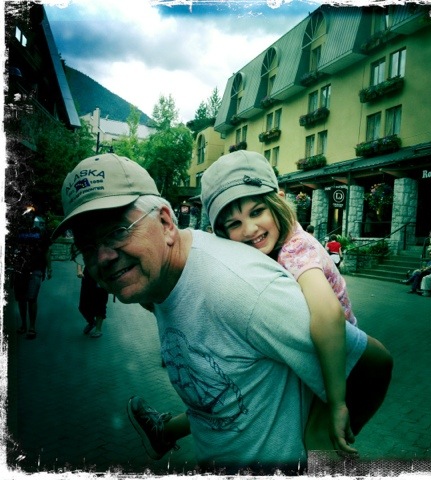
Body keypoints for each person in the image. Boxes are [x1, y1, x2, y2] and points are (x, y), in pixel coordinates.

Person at [53, 153, 392, 474]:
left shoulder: (251, 284)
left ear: (166, 223)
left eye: (118, 231)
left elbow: (371, 364)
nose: (103, 257)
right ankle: (164, 431)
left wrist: (334, 420)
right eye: (86, 246)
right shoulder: (160, 280)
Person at [11, 206, 52, 339]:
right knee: (21, 299)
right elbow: (11, 249)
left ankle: (32, 327)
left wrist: (49, 268)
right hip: (20, 269)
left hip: (36, 269)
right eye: (25, 215)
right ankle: (23, 324)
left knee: (32, 298)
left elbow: (46, 251)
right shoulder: (17, 230)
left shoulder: (41, 231)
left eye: (30, 215)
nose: (28, 217)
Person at [76, 263, 109, 337]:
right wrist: (79, 270)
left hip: (103, 275)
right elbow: (79, 259)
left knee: (100, 304)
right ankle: (91, 322)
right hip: (88, 276)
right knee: (83, 306)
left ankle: (98, 329)